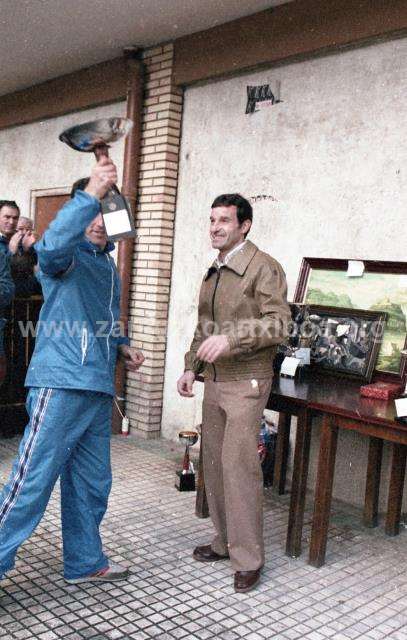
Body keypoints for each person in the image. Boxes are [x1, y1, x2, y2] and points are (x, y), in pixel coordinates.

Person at [0, 157, 144, 584]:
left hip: (97, 387)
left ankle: (84, 561)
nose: (100, 220)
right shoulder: (65, 257)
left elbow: (103, 316)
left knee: (91, 483)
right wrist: (92, 191)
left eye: (107, 210)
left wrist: (122, 346)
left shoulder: (107, 265)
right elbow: (51, 244)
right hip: (60, 382)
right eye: (94, 209)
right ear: (82, 210)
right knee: (31, 484)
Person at [177, 193, 290, 593]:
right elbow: (203, 328)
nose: (215, 227)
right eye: (211, 220)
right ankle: (224, 542)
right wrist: (192, 367)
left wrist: (231, 340)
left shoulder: (264, 268)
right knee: (213, 465)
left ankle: (248, 559)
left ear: (244, 225)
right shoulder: (215, 269)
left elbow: (279, 325)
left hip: (247, 381)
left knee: (239, 469)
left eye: (224, 220)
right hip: (216, 381)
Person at [8, 216, 42, 297]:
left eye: (28, 229)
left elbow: (38, 270)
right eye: (20, 229)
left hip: (31, 288)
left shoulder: (34, 247)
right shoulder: (7, 245)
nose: (25, 232)